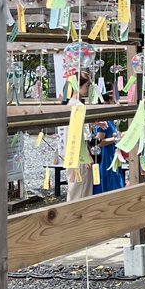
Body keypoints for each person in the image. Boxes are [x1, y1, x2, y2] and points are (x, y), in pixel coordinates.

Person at [65, 73, 94, 203]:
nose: (88, 89)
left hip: (71, 153)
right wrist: (86, 154)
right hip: (79, 153)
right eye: (87, 85)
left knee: (74, 189)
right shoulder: (78, 106)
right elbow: (79, 134)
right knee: (82, 190)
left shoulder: (69, 105)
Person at [92, 119, 124, 194]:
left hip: (112, 154)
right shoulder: (105, 121)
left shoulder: (111, 121)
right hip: (106, 156)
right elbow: (98, 142)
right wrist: (116, 138)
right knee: (110, 180)